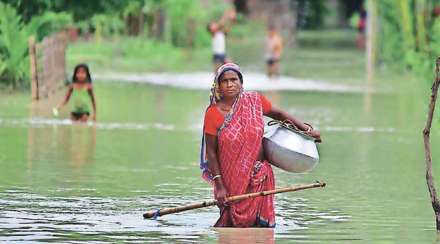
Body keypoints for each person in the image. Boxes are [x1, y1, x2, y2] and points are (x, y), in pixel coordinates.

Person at [200, 63, 321, 227]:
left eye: (234, 79)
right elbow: (212, 153)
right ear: (218, 86)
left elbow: (278, 114)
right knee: (231, 226)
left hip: (260, 176)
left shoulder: (254, 101)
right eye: (225, 81)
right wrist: (219, 186)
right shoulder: (213, 113)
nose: (230, 84)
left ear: (241, 83)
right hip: (230, 181)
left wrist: (305, 129)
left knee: (261, 232)